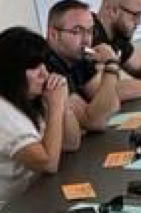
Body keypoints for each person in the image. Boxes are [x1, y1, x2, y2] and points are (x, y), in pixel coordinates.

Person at [0, 28, 71, 213]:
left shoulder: (25, 100)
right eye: (34, 67)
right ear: (11, 71)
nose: (44, 73)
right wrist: (56, 106)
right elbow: (49, 163)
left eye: (44, 64)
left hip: (29, 200)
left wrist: (63, 102)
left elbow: (71, 143)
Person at [41, 1, 125, 134]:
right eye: (77, 31)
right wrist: (111, 66)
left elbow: (113, 104)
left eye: (90, 31)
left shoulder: (77, 55)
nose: (86, 40)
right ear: (53, 35)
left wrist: (108, 69)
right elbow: (95, 122)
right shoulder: (45, 66)